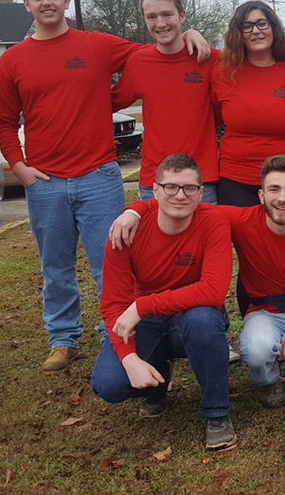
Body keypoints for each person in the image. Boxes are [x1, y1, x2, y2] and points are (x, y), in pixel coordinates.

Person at [0, 0, 208, 373]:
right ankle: (63, 337)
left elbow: (157, 46)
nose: (47, 2)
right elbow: (3, 120)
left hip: (99, 176)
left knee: (110, 263)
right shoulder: (12, 61)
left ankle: (118, 332)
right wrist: (17, 166)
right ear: (27, 4)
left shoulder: (97, 46)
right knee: (54, 266)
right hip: (45, 181)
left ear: (67, 2)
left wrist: (193, 34)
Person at [111, 155, 285, 408]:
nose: (282, 198)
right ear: (261, 196)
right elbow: (181, 199)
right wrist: (135, 210)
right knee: (256, 349)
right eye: (274, 189)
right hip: (265, 312)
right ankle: (268, 382)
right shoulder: (239, 220)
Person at [91, 155, 235, 449]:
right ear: (154, 190)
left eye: (189, 188)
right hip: (148, 324)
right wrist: (130, 359)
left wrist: (142, 305)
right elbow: (113, 305)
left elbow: (213, 291)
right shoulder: (125, 232)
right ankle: (156, 380)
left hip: (192, 315)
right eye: (171, 187)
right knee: (109, 384)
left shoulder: (214, 222)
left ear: (201, 192)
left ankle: (217, 413)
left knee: (205, 321)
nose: (180, 196)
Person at [112, 0, 221, 204]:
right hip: (155, 181)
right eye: (151, 17)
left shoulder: (210, 59)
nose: (160, 23)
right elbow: (107, 103)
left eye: (167, 14)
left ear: (182, 16)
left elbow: (228, 110)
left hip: (202, 181)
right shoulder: (139, 62)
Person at [212, 1, 285, 207]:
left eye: (261, 24)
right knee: (244, 239)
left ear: (273, 27)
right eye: (247, 26)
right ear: (237, 33)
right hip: (235, 179)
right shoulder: (222, 73)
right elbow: (212, 118)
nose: (255, 31)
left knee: (284, 239)